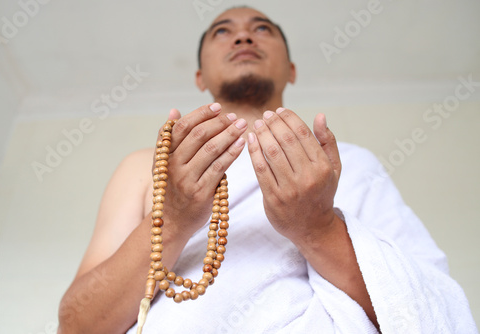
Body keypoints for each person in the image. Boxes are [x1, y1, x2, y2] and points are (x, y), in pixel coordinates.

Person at [58, 6, 477, 334]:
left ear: (291, 70)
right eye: (223, 30)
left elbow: (426, 307)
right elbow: (77, 326)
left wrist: (317, 228)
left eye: (263, 29)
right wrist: (173, 219)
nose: (243, 35)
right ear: (200, 77)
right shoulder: (146, 168)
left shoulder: (350, 163)